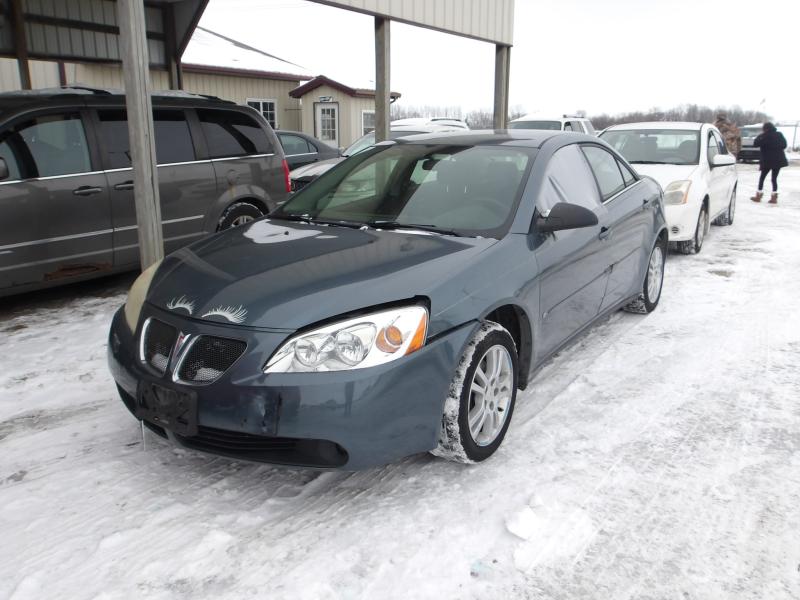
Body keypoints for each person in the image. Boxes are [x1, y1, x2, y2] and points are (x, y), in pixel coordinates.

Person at [751, 122, 788, 204]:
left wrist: (759, 136)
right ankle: (774, 198)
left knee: (762, 178)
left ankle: (758, 196)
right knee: (774, 179)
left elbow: (755, 144)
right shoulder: (779, 134)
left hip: (767, 160)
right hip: (778, 160)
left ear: (765, 129)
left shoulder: (764, 136)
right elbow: (784, 145)